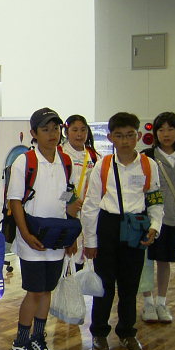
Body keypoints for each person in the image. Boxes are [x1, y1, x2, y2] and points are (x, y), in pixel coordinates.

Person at [81, 112, 163, 350]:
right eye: (119, 135)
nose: (125, 141)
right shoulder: (103, 165)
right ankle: (99, 333)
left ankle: (127, 332)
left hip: (135, 224)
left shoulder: (149, 165)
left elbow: (155, 200)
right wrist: (90, 240)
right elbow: (91, 205)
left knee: (130, 284)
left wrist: (155, 226)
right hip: (108, 224)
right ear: (110, 138)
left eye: (130, 135)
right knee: (104, 285)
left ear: (138, 135)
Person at [7, 108, 78, 350]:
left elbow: (68, 198)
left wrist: (71, 235)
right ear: (34, 133)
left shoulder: (66, 161)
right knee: (34, 291)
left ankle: (38, 338)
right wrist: (25, 234)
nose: (52, 134)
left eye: (56, 128)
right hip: (33, 238)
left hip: (56, 237)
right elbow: (15, 201)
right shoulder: (24, 161)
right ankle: (20, 342)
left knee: (47, 290)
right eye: (45, 129)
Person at [140, 112, 175, 323]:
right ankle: (148, 303)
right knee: (146, 263)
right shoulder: (146, 156)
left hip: (172, 218)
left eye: (170, 129)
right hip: (147, 219)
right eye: (161, 129)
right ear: (155, 132)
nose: (166, 134)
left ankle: (162, 302)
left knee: (165, 262)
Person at [60, 114, 99, 266]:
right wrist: (70, 200)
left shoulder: (93, 157)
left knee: (83, 260)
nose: (79, 134)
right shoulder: (59, 154)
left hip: (87, 213)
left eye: (83, 130)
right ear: (66, 132)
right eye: (75, 130)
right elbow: (54, 188)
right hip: (64, 213)